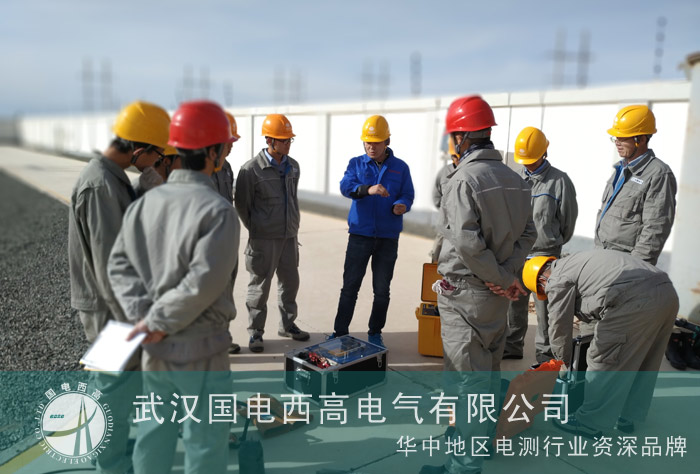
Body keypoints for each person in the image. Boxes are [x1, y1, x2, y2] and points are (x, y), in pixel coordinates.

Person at [108, 100, 239, 474]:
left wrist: (144, 318)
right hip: (201, 350)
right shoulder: (217, 211)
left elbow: (118, 266)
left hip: (156, 350)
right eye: (224, 147)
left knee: (154, 434)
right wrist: (156, 321)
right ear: (213, 153)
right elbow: (203, 282)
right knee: (204, 443)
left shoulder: (144, 205)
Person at [421, 96, 536, 474]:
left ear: (461, 137)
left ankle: (465, 463)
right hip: (495, 297)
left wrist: (501, 278)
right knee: (487, 371)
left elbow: (468, 244)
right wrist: (508, 277)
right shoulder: (516, 179)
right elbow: (529, 234)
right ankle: (478, 439)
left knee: (466, 378)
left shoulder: (463, 180)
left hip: (466, 292)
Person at [68, 100, 170, 474]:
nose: (157, 162)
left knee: (123, 388)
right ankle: (110, 465)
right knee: (112, 389)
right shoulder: (100, 186)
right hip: (109, 309)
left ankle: (113, 451)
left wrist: (147, 185)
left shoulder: (113, 179)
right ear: (139, 149)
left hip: (114, 306)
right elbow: (111, 266)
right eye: (157, 156)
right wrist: (137, 320)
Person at [521, 250, 678, 438]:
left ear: (541, 280)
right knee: (645, 359)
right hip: (667, 293)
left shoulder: (556, 279)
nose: (546, 293)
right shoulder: (576, 260)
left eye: (542, 291)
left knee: (603, 360)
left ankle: (590, 423)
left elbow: (558, 327)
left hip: (634, 300)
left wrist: (563, 361)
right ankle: (626, 416)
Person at [331, 115, 414, 348]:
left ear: (387, 141)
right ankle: (340, 332)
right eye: (368, 142)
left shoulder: (400, 168)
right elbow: (346, 187)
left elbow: (407, 194)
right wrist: (368, 189)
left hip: (388, 238)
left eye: (376, 142)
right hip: (360, 235)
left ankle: (375, 332)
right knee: (350, 287)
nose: (371, 147)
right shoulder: (356, 163)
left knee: (382, 290)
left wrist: (402, 205)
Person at [503, 127, 578, 363]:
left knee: (545, 310)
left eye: (532, 160)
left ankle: (545, 355)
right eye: (525, 161)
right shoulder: (514, 178)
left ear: (544, 152)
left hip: (544, 255)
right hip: (518, 252)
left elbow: (568, 221)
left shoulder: (559, 181)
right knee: (514, 302)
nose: (528, 164)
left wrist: (550, 242)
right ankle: (512, 345)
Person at [234, 113, 308, 352]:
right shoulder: (250, 170)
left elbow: (293, 199)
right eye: (283, 140)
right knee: (260, 286)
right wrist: (259, 227)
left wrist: (291, 225)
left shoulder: (293, 166)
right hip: (263, 239)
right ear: (269, 140)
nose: (287, 144)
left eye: (289, 140)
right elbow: (242, 206)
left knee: (290, 282)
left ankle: (288, 324)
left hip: (289, 236)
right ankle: (256, 332)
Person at [595, 105, 676, 265]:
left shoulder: (658, 174)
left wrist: (635, 269)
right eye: (615, 138)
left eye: (623, 138)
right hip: (602, 257)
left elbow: (655, 228)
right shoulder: (620, 170)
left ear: (642, 139)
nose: (617, 143)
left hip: (625, 265)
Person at [212, 111, 242, 355]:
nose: (231, 147)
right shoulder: (204, 171)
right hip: (212, 245)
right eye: (227, 143)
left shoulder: (227, 167)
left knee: (227, 293)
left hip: (228, 242)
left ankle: (223, 335)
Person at [428, 135, 459, 263]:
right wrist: (445, 210)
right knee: (437, 254)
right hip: (445, 225)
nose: (457, 160)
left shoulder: (471, 172)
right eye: (454, 157)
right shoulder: (444, 172)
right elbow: (436, 197)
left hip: (463, 227)